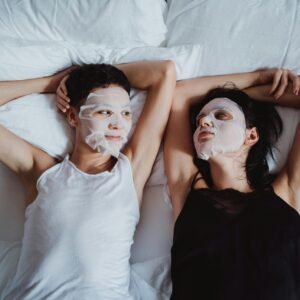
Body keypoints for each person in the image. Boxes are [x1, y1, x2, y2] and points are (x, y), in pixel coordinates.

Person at [1, 60, 176, 299]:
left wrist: (83, 77)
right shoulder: (42, 172)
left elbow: (164, 72)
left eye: (125, 113)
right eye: (104, 111)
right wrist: (51, 84)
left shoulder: (130, 171)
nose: (117, 124)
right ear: (73, 117)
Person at [164, 69, 300, 299]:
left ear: (251, 136)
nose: (205, 121)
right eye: (200, 121)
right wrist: (257, 78)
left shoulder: (288, 192)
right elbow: (179, 94)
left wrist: (246, 96)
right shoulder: (187, 188)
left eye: (222, 115)